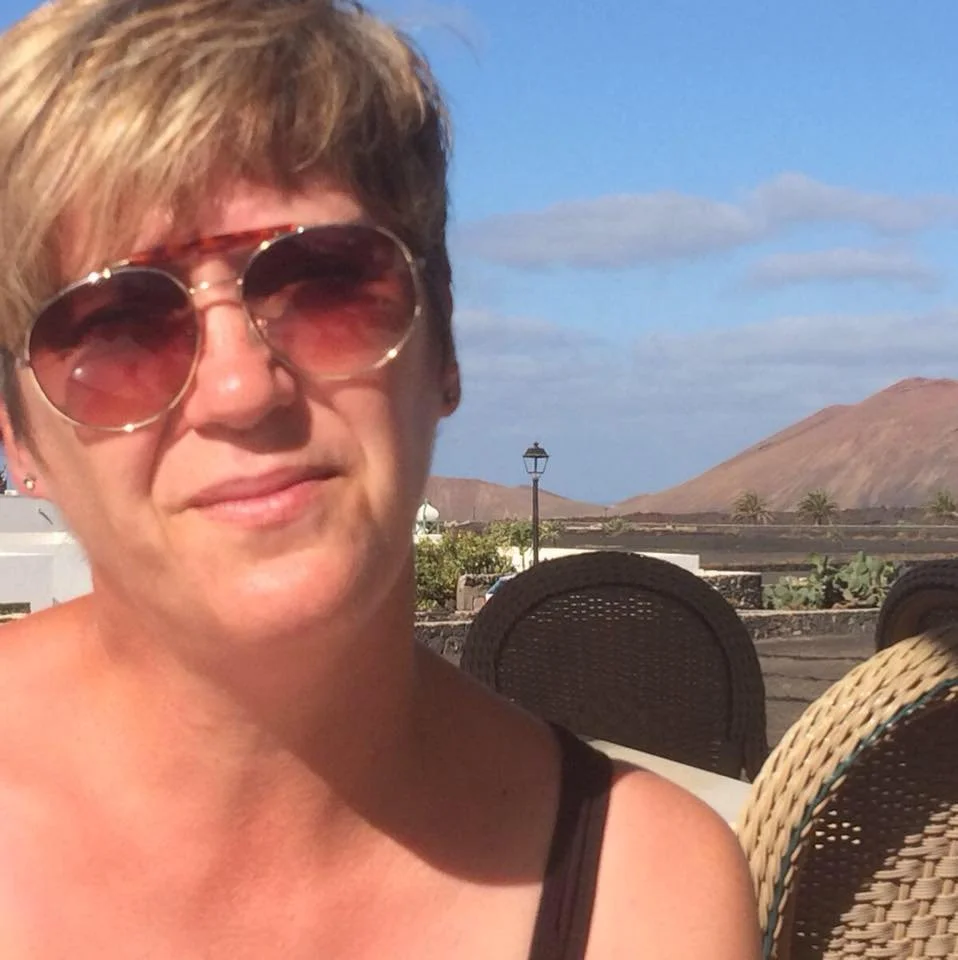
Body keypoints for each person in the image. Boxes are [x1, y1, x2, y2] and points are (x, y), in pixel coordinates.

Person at [0, 1, 761, 956]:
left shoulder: (638, 900)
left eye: (324, 283)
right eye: (115, 328)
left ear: (442, 339)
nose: (240, 389)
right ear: (18, 434)